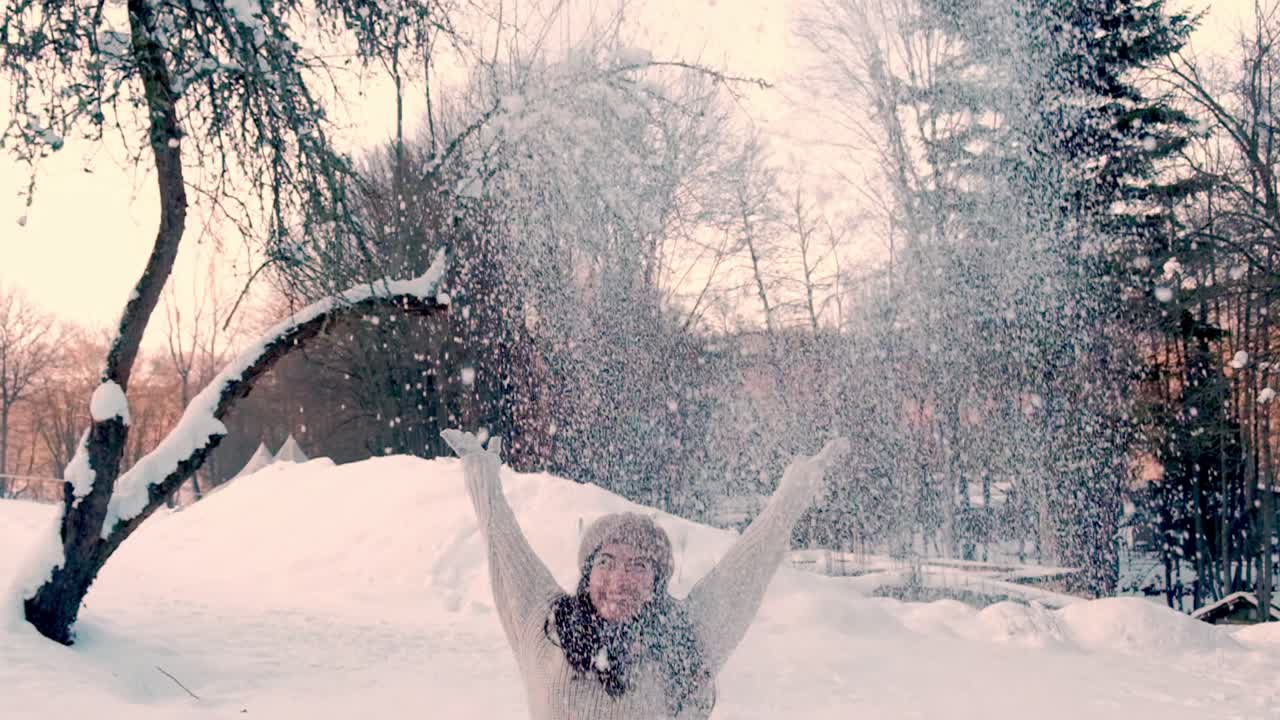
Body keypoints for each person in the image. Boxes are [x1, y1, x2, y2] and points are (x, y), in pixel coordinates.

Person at [441, 429, 848, 720]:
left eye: (638, 566)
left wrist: (794, 493)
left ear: (657, 582)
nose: (620, 579)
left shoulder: (683, 638)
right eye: (606, 563)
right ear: (587, 573)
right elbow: (506, 547)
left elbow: (747, 568)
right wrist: (482, 475)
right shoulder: (545, 626)